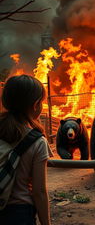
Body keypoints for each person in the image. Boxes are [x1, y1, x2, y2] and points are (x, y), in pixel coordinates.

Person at [0, 74, 52, 225]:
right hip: (18, 213)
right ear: (35, 105)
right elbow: (39, 192)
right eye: (42, 102)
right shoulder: (37, 141)